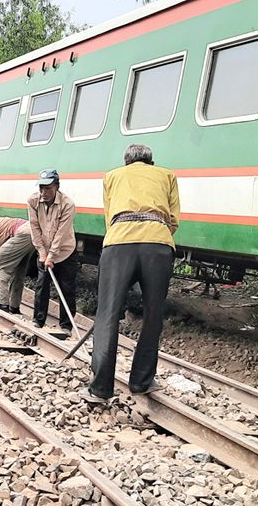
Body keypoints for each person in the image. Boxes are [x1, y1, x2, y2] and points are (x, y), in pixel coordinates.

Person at [83, 144, 180, 404]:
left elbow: (108, 215)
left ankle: (100, 389)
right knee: (153, 314)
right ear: (151, 161)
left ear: (127, 162)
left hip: (118, 242)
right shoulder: (167, 175)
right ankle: (142, 381)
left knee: (107, 314)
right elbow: (173, 219)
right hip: (157, 243)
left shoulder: (112, 176)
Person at [28, 169, 78, 330]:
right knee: (42, 285)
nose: (43, 192)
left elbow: (61, 233)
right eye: (41, 188)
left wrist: (52, 255)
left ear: (57, 186)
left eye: (48, 188)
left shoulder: (67, 204)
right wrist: (43, 254)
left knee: (66, 287)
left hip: (65, 251)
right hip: (43, 251)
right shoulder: (33, 201)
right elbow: (34, 228)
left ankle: (66, 325)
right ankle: (38, 320)